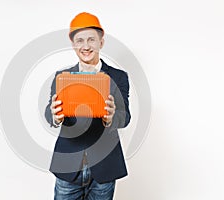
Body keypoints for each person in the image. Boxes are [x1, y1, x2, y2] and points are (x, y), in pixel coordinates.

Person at [45, 12, 131, 200]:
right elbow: (49, 112)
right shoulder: (62, 77)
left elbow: (125, 117)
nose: (86, 46)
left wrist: (111, 117)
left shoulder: (118, 77)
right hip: (68, 166)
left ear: (101, 42)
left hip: (104, 167)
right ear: (74, 44)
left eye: (91, 39)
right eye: (80, 40)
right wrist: (55, 116)